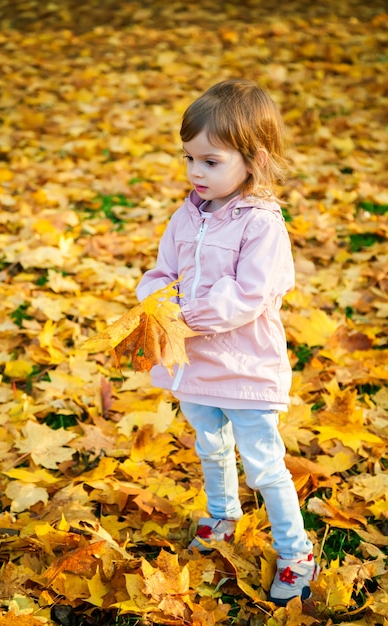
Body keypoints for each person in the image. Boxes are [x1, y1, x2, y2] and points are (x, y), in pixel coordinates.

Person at [135, 78, 319, 606]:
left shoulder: (262, 224)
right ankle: (222, 514)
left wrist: (185, 314)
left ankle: (295, 551)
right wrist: (156, 298)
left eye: (210, 161)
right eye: (188, 158)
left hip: (244, 366)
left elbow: (249, 294)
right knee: (210, 445)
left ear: (253, 159)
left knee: (263, 462)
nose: (195, 172)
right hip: (194, 365)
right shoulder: (187, 214)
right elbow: (161, 271)